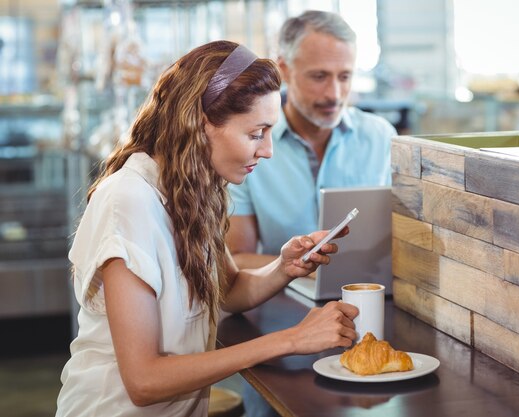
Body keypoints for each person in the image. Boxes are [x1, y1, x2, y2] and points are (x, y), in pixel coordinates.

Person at [55, 40, 358, 417]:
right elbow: (144, 381)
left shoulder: (192, 191)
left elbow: (226, 291)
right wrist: (291, 340)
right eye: (255, 133)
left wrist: (284, 267)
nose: (268, 150)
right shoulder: (129, 201)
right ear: (201, 123)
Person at [226, 10, 397, 269]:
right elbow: (237, 260)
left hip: (368, 294)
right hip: (283, 301)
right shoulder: (250, 147)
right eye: (319, 76)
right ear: (284, 70)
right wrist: (309, 271)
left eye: (345, 76)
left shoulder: (381, 138)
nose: (334, 94)